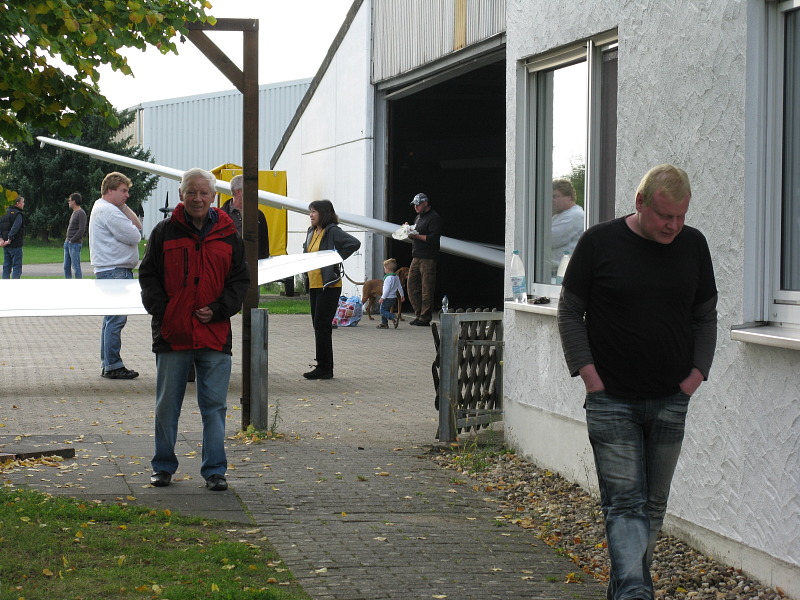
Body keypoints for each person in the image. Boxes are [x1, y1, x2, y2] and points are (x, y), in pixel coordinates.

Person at [557, 164, 718, 600]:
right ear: (640, 202)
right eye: (665, 215)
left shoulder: (694, 245)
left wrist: (696, 375)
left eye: (681, 216)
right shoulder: (599, 242)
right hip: (611, 399)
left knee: (652, 507)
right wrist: (589, 376)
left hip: (672, 398)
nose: (674, 225)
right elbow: (570, 312)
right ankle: (635, 592)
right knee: (625, 504)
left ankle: (626, 590)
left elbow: (705, 317)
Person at [139, 168, 249, 492]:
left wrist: (219, 309)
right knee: (166, 406)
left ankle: (215, 471)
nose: (197, 198)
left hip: (214, 334)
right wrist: (166, 311)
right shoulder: (163, 232)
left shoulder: (229, 234)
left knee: (214, 407)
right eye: (191, 192)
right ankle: (162, 467)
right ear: (181, 194)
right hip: (173, 334)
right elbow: (148, 276)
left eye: (203, 193)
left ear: (213, 196)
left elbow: (239, 281)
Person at [90, 172, 142, 380]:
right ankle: (112, 365)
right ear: (110, 190)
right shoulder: (109, 211)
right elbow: (135, 234)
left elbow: (137, 226)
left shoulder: (104, 207)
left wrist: (123, 206)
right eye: (123, 191)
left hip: (110, 270)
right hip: (115, 271)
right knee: (116, 318)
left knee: (111, 318)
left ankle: (109, 363)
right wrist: (121, 209)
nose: (127, 195)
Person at [302, 199, 360, 379]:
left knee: (322, 325)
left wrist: (335, 258)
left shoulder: (332, 231)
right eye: (310, 211)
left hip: (329, 286)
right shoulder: (311, 231)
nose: (311, 215)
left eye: (314, 211)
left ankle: (325, 368)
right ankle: (323, 365)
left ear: (324, 214)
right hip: (314, 285)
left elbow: (354, 243)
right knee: (318, 325)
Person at [405, 192, 442, 326]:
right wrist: (408, 231)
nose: (416, 207)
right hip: (416, 255)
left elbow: (433, 238)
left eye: (418, 204)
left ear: (425, 203)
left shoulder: (434, 218)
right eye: (414, 205)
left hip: (428, 257)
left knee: (427, 288)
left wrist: (416, 236)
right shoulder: (418, 218)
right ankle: (418, 314)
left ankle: (425, 317)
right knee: (411, 286)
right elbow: (416, 235)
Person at [220, 174, 270, 260]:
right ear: (238, 192)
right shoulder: (220, 216)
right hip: (229, 265)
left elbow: (264, 249)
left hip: (254, 266)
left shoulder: (259, 215)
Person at [551, 178, 584, 276]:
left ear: (569, 197)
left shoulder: (575, 215)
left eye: (555, 196)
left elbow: (549, 240)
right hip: (555, 272)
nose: (552, 200)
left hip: (564, 273)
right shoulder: (559, 216)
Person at [0, 196, 26, 279]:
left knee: (6, 266)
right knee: (17, 266)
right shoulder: (18, 214)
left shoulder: (4, 213)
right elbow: (15, 228)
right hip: (15, 243)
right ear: (17, 203)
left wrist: (1, 239)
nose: (23, 204)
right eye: (22, 202)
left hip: (5, 244)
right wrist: (9, 239)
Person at [64, 192, 88, 278]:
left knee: (76, 267)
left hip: (74, 244)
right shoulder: (74, 212)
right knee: (66, 267)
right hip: (68, 242)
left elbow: (81, 229)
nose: (68, 202)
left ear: (74, 201)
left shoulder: (81, 213)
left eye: (70, 200)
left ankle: (79, 284)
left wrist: (72, 240)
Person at [376, 257, 405, 329]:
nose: (384, 270)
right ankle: (384, 323)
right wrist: (402, 295)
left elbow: (387, 290)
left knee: (382, 311)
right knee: (385, 310)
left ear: (387, 269)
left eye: (384, 268)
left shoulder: (388, 278)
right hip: (393, 298)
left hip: (387, 298)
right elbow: (399, 287)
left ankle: (393, 317)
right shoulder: (396, 277)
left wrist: (382, 298)